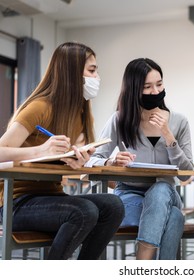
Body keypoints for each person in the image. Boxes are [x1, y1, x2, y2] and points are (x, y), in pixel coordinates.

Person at [0, 42, 125, 260]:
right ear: (71, 72)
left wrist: (81, 163)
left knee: (113, 205)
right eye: (92, 70)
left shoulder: (80, 113)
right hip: (16, 202)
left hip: (51, 198)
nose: (97, 77)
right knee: (84, 211)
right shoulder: (40, 107)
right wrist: (40, 150)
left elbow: (72, 161)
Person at [86, 58, 194, 260]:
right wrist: (112, 161)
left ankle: (142, 262)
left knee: (160, 189)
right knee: (175, 217)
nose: (155, 92)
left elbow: (186, 172)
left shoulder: (179, 121)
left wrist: (169, 136)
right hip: (129, 195)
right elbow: (91, 160)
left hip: (167, 193)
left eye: (159, 84)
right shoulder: (120, 119)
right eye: (147, 87)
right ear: (134, 89)